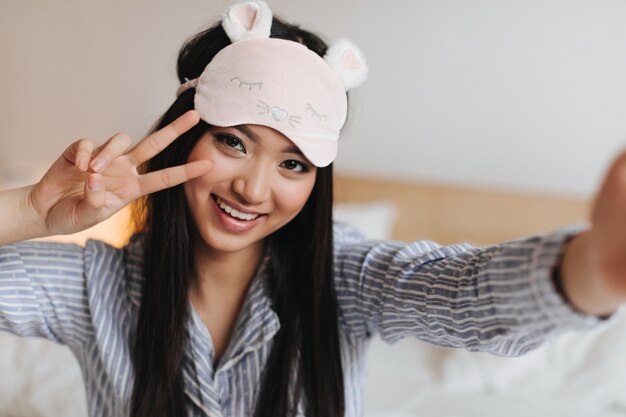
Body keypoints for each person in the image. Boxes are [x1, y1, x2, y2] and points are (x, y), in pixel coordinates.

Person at [0, 1, 625, 416]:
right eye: (233, 142)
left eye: (292, 163)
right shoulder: (92, 285)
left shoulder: (346, 277)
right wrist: (29, 209)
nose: (252, 188)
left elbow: (459, 294)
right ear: (187, 134)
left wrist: (594, 269)